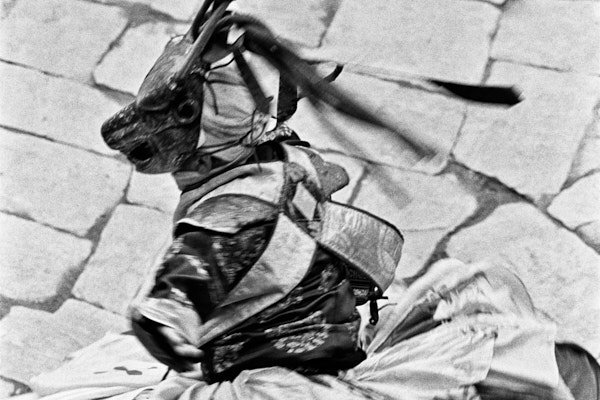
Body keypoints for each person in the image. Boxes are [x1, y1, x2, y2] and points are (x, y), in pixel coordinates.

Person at [41, 1, 598, 399]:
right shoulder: (270, 170)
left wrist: (161, 322)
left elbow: (188, 278)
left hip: (295, 368)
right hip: (310, 351)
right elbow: (197, 273)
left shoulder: (238, 202)